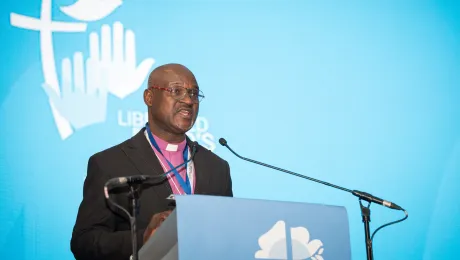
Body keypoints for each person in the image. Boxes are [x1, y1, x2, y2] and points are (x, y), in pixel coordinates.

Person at [70, 63, 233, 260]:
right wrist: (142, 239)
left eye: (193, 93)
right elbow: (84, 242)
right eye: (176, 91)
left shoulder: (217, 167)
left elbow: (228, 237)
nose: (188, 100)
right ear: (149, 97)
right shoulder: (109, 163)